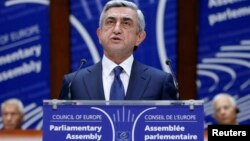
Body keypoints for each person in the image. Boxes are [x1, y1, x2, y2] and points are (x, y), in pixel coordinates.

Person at [59, 0, 178, 100]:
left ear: (139, 37)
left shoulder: (159, 82)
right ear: (99, 34)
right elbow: (60, 125)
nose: (116, 29)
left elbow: (172, 126)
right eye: (110, 22)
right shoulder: (73, 83)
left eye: (126, 23)